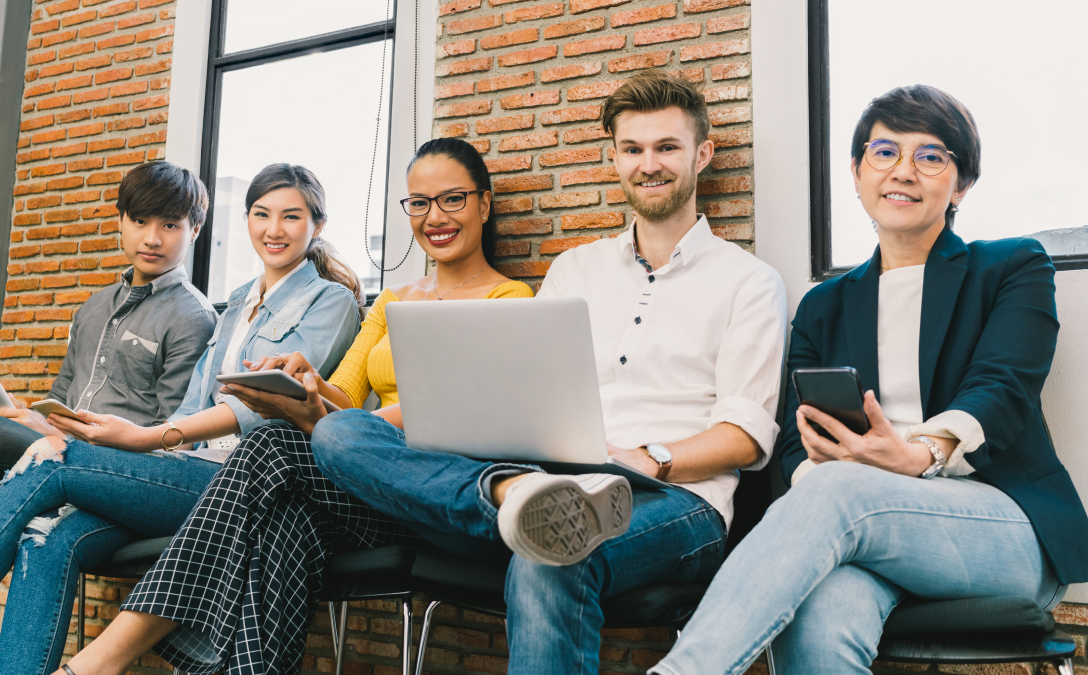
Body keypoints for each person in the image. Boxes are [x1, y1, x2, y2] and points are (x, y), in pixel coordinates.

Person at [312, 70, 786, 673]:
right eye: (633, 149)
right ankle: (512, 495)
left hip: (677, 499)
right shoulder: (575, 270)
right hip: (550, 476)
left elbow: (744, 437)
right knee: (339, 434)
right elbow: (520, 389)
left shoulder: (748, 282)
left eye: (667, 147)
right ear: (614, 158)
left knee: (553, 547)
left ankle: (525, 507)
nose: (650, 164)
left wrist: (649, 457)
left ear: (703, 154)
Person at [46, 138, 534, 675]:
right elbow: (343, 396)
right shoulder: (393, 302)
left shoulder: (509, 301)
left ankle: (103, 658)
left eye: (453, 200)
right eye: (419, 203)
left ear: (484, 205)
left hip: (423, 494)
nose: (434, 217)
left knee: (272, 444)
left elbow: (432, 413)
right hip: (352, 485)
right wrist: (305, 382)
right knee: (287, 520)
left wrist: (323, 418)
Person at [652, 85, 1088, 675]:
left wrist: (918, 454)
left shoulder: (1012, 267)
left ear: (960, 185)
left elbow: (1003, 388)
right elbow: (788, 448)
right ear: (857, 172)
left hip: (1001, 529)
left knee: (834, 491)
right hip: (859, 528)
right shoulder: (822, 306)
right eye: (884, 153)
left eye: (931, 156)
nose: (903, 171)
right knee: (822, 612)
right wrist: (830, 459)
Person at [0, 163, 363, 675]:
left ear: (316, 224)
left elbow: (259, 405)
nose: (274, 229)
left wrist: (143, 440)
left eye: (291, 217)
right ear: (245, 220)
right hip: (179, 473)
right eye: (261, 214)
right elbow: (191, 406)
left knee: (48, 464)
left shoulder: (330, 302)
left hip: (240, 488)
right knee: (46, 538)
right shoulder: (238, 306)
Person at [0, 161, 218, 621]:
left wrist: (61, 437)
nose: (152, 238)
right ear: (121, 220)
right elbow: (61, 397)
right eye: (140, 221)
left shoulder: (193, 317)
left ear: (195, 229)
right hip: (45, 476)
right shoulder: (93, 308)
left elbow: (175, 433)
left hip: (112, 480)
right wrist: (32, 418)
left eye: (170, 225)